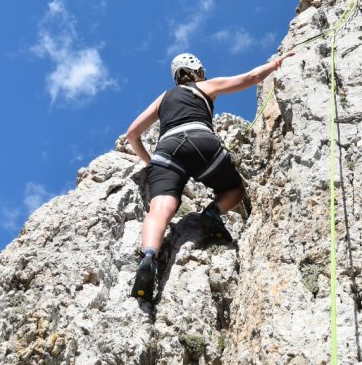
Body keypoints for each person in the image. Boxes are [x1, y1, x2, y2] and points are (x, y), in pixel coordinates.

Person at [126, 50, 295, 301]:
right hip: (199, 141)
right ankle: (212, 213)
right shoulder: (204, 87)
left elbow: (132, 134)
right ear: (196, 72)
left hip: (166, 152)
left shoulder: (163, 98)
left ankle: (149, 255)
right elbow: (249, 77)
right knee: (235, 189)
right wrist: (276, 64)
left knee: (160, 208)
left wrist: (152, 163)